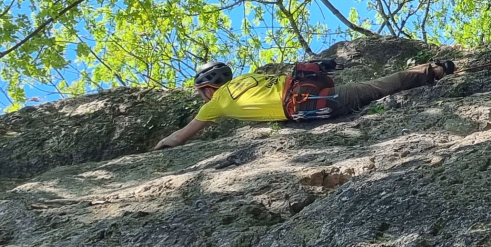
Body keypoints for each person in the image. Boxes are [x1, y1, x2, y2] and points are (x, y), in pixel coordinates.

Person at [154, 56, 457, 149]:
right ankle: (432, 69)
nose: (202, 98)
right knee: (374, 86)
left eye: (202, 93)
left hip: (309, 105)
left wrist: (159, 148)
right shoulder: (251, 78)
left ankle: (433, 71)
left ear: (208, 89)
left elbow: (180, 136)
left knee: (376, 89)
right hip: (309, 91)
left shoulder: (214, 104)